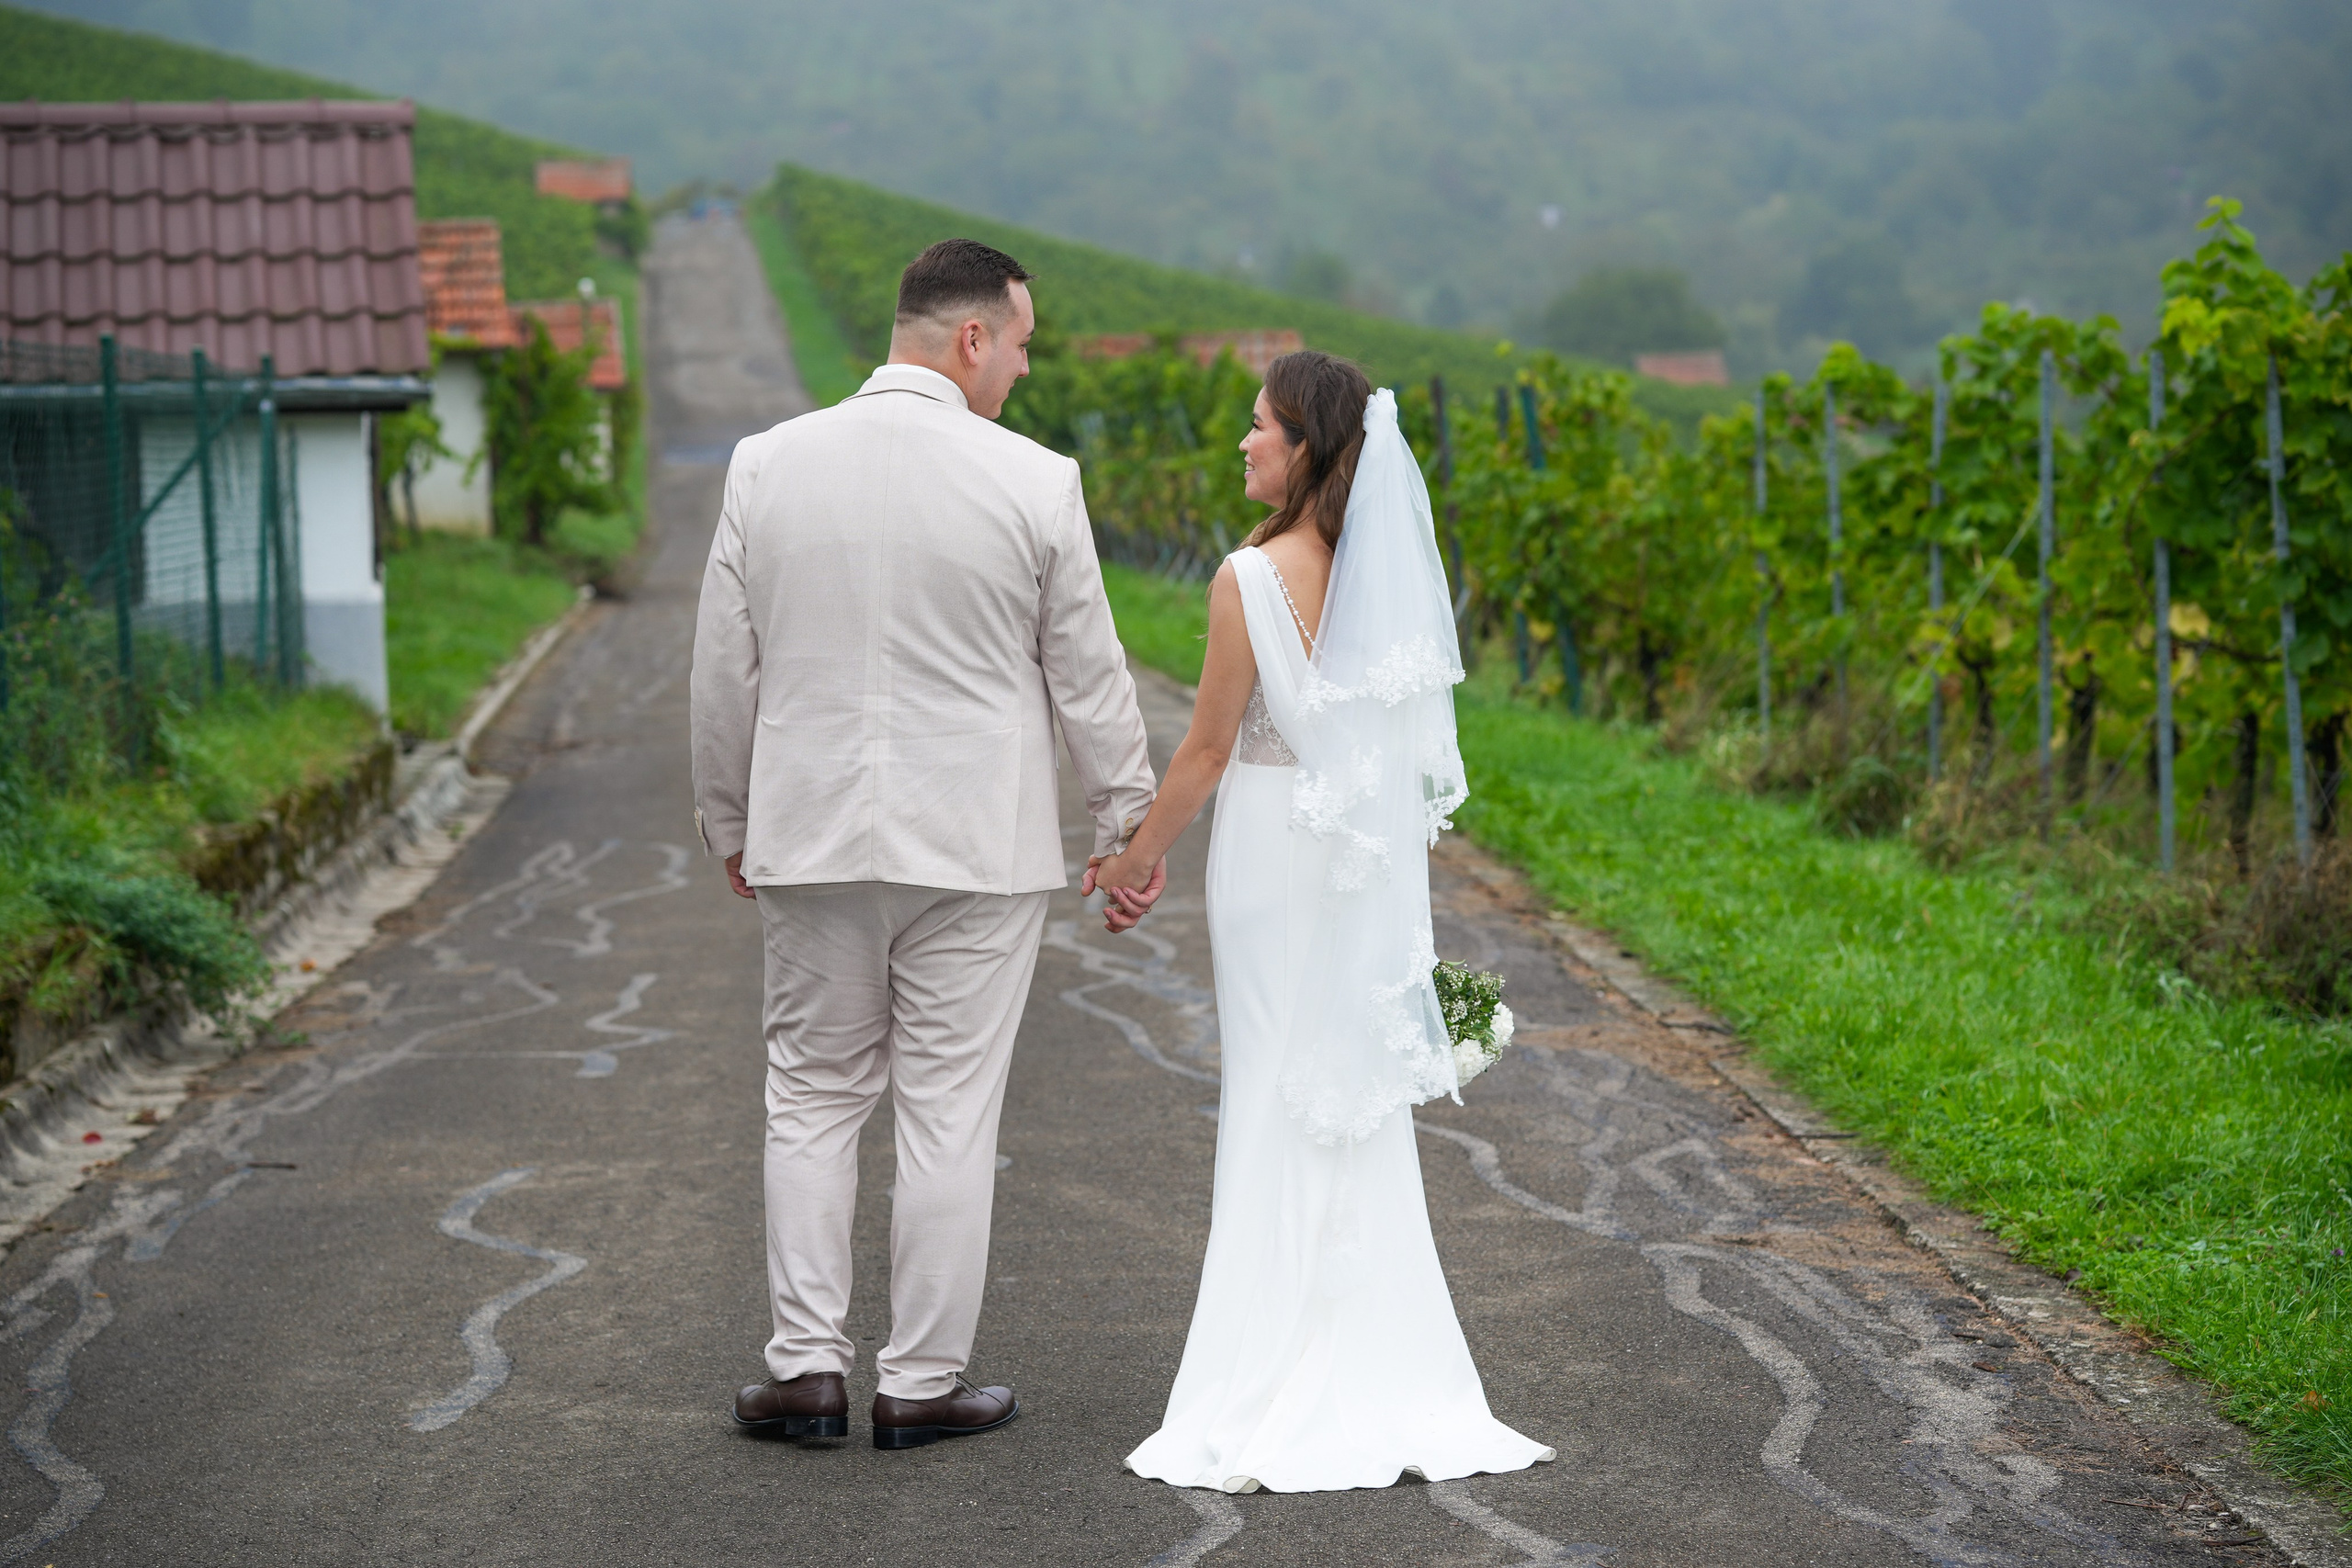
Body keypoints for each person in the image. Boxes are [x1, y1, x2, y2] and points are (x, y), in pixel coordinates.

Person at [690, 238, 1163, 1450]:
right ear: (970, 337)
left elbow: (721, 669)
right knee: (948, 1109)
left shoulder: (766, 465)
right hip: (977, 845)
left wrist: (731, 817)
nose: (1020, 367)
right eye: (1019, 343)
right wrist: (1126, 825)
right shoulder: (1036, 479)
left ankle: (802, 1368)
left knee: (809, 1094)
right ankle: (920, 1378)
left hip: (814, 833)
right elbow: (1089, 675)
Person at [1094, 351, 1554, 1493]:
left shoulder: (1246, 579)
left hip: (1263, 855)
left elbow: (1204, 750)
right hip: (1337, 870)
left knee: (1269, 1089)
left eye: (1258, 428)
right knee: (1336, 1094)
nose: (1242, 445)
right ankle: (1378, 1363)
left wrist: (1129, 862)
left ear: (1304, 447)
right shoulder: (1372, 577)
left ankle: (1264, 1368)